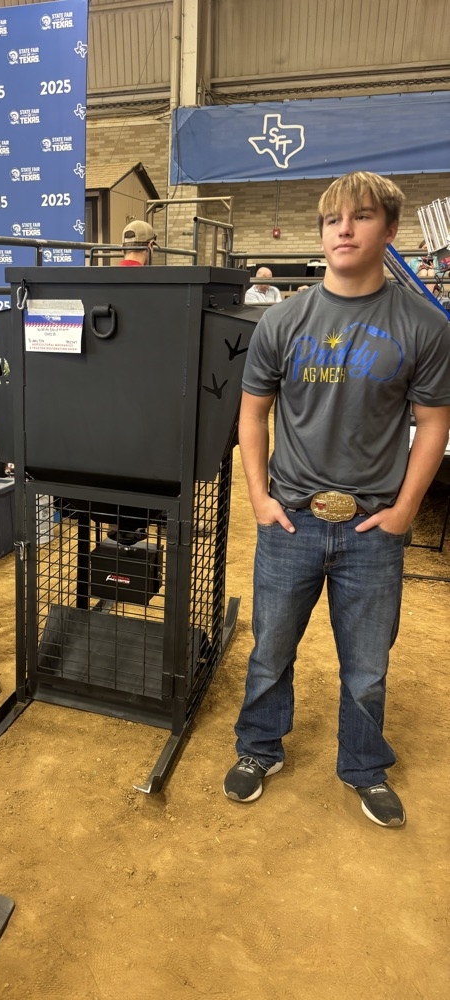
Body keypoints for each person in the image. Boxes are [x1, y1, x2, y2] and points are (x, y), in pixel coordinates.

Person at [223, 171, 450, 827]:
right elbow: (251, 414)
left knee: (367, 666)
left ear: (390, 229)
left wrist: (406, 509)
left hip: (372, 531)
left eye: (360, 217)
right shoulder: (284, 319)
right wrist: (260, 498)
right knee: (270, 649)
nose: (343, 229)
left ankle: (363, 767)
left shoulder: (424, 326)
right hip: (289, 523)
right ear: (320, 233)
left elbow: (433, 423)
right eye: (332, 220)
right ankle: (258, 748)